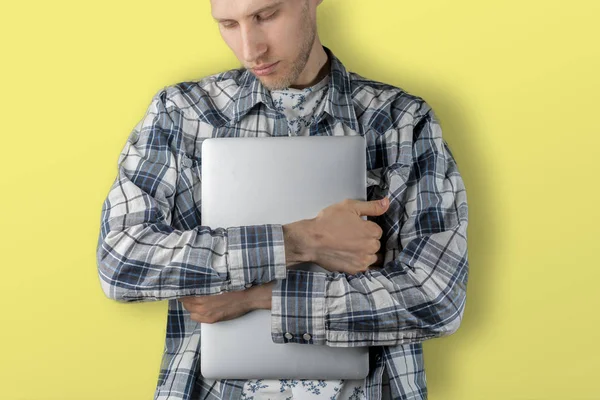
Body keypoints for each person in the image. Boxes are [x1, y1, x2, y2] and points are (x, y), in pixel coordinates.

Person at [95, 0, 469, 399]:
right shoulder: (182, 114)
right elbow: (121, 261)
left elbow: (437, 297)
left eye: (266, 16)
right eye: (228, 24)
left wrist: (259, 298)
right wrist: (302, 241)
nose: (250, 48)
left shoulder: (401, 120)